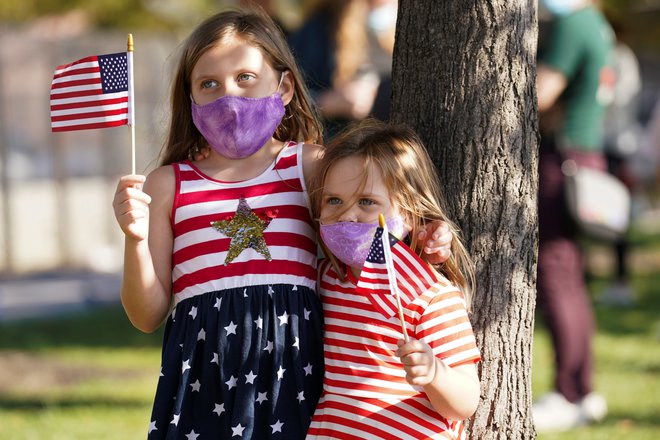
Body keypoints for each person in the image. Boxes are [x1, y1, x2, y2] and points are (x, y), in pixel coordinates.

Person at [112, 8, 452, 438]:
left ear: (285, 85)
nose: (227, 94)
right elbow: (146, 315)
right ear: (191, 96)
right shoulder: (167, 185)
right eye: (208, 84)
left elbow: (367, 234)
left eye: (245, 78)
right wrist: (134, 239)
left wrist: (426, 238)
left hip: (296, 375)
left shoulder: (310, 166)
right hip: (203, 382)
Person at [306, 120, 481, 439]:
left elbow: (465, 402)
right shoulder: (325, 282)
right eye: (334, 200)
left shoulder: (430, 295)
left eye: (366, 202)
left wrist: (433, 373)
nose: (347, 215)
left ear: (410, 213)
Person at [533, 0, 614, 432]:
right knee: (571, 276)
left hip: (563, 162)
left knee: (556, 271)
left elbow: (540, 93)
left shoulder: (574, 23)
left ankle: (567, 392)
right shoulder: (599, 24)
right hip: (587, 159)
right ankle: (584, 387)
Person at [289, 0, 381, 138]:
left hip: (368, 139)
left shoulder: (378, 28)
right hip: (328, 140)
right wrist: (328, 102)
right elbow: (289, 96)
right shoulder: (316, 31)